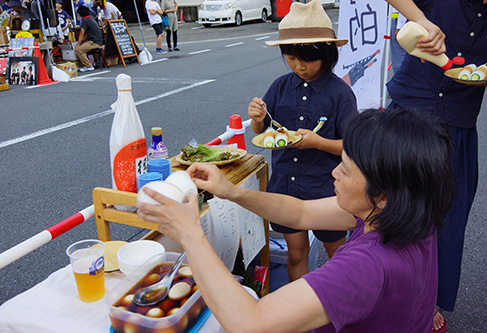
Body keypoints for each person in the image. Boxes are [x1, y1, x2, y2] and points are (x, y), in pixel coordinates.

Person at [136, 107, 455, 332]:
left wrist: (190, 232)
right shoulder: (409, 209)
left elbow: (251, 323)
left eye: (345, 169)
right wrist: (231, 190)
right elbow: (301, 212)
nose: (335, 172)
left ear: (383, 192)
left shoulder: (366, 266)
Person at [385, 0, 487, 331]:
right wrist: (422, 20)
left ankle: (425, 299)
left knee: (446, 222)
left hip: (458, 127)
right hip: (409, 111)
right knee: (388, 207)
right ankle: (376, 290)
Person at [247, 0, 357, 283]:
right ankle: (300, 312)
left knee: (340, 255)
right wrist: (257, 117)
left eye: (306, 59)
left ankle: (346, 309)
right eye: (291, 58)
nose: (299, 66)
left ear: (327, 53)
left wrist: (319, 143)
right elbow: (262, 130)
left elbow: (353, 147)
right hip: (286, 185)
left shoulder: (341, 94)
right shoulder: (280, 86)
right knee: (296, 254)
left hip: (326, 189)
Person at [75, 5, 102, 72]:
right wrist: (83, 40)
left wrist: (78, 44)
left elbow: (81, 33)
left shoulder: (85, 21)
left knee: (79, 50)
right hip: (98, 41)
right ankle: (88, 65)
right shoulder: (91, 19)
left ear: (80, 15)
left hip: (94, 42)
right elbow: (88, 33)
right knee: (81, 48)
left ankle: (89, 66)